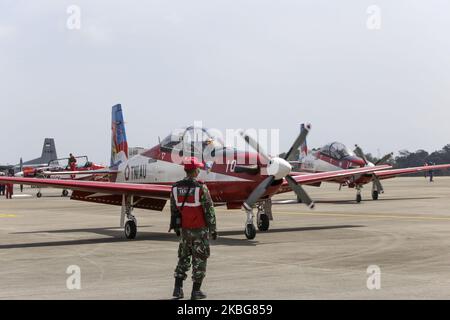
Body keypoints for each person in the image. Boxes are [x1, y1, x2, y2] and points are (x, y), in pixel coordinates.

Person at [170, 156, 217, 300]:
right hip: (200, 230)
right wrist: (213, 228)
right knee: (200, 260)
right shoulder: (201, 187)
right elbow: (209, 210)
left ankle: (178, 289)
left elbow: (174, 209)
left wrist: (176, 227)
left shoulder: (176, 187)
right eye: (198, 168)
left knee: (183, 258)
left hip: (185, 230)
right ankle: (196, 291)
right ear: (195, 170)